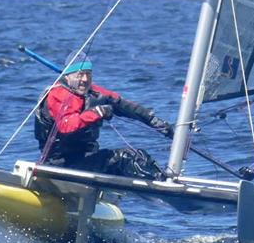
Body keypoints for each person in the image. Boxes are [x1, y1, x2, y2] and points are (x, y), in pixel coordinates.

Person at [34, 51, 173, 180]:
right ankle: (162, 184)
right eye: (80, 74)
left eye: (88, 74)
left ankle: (161, 179)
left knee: (139, 157)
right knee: (126, 158)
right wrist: (96, 113)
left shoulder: (94, 93)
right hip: (60, 165)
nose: (85, 79)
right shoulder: (57, 95)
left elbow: (125, 106)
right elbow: (66, 125)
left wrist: (158, 124)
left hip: (86, 160)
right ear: (67, 77)